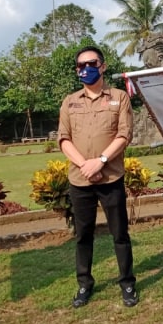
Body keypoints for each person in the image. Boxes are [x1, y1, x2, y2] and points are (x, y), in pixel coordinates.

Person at [57, 45, 138, 309]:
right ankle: (84, 283)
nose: (86, 69)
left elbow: (124, 135)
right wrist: (85, 165)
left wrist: (101, 161)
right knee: (83, 235)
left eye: (91, 63)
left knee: (120, 234)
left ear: (102, 66)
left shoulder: (118, 97)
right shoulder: (70, 101)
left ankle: (127, 282)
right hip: (80, 180)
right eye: (81, 66)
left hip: (111, 177)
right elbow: (63, 139)